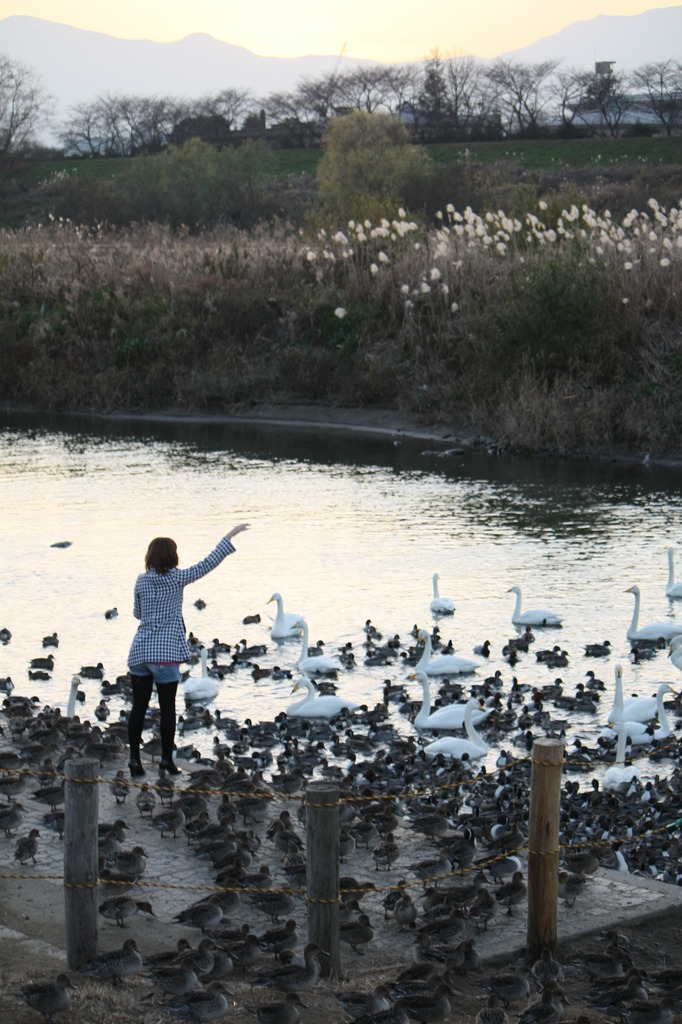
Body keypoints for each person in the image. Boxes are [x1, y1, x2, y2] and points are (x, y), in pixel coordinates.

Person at [126, 525, 249, 777]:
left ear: (150, 556)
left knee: (138, 708)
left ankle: (134, 760)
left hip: (139, 652)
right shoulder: (177, 578)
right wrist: (229, 536)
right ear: (173, 557)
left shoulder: (140, 579)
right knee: (168, 708)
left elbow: (138, 614)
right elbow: (208, 563)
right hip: (165, 655)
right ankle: (166, 761)